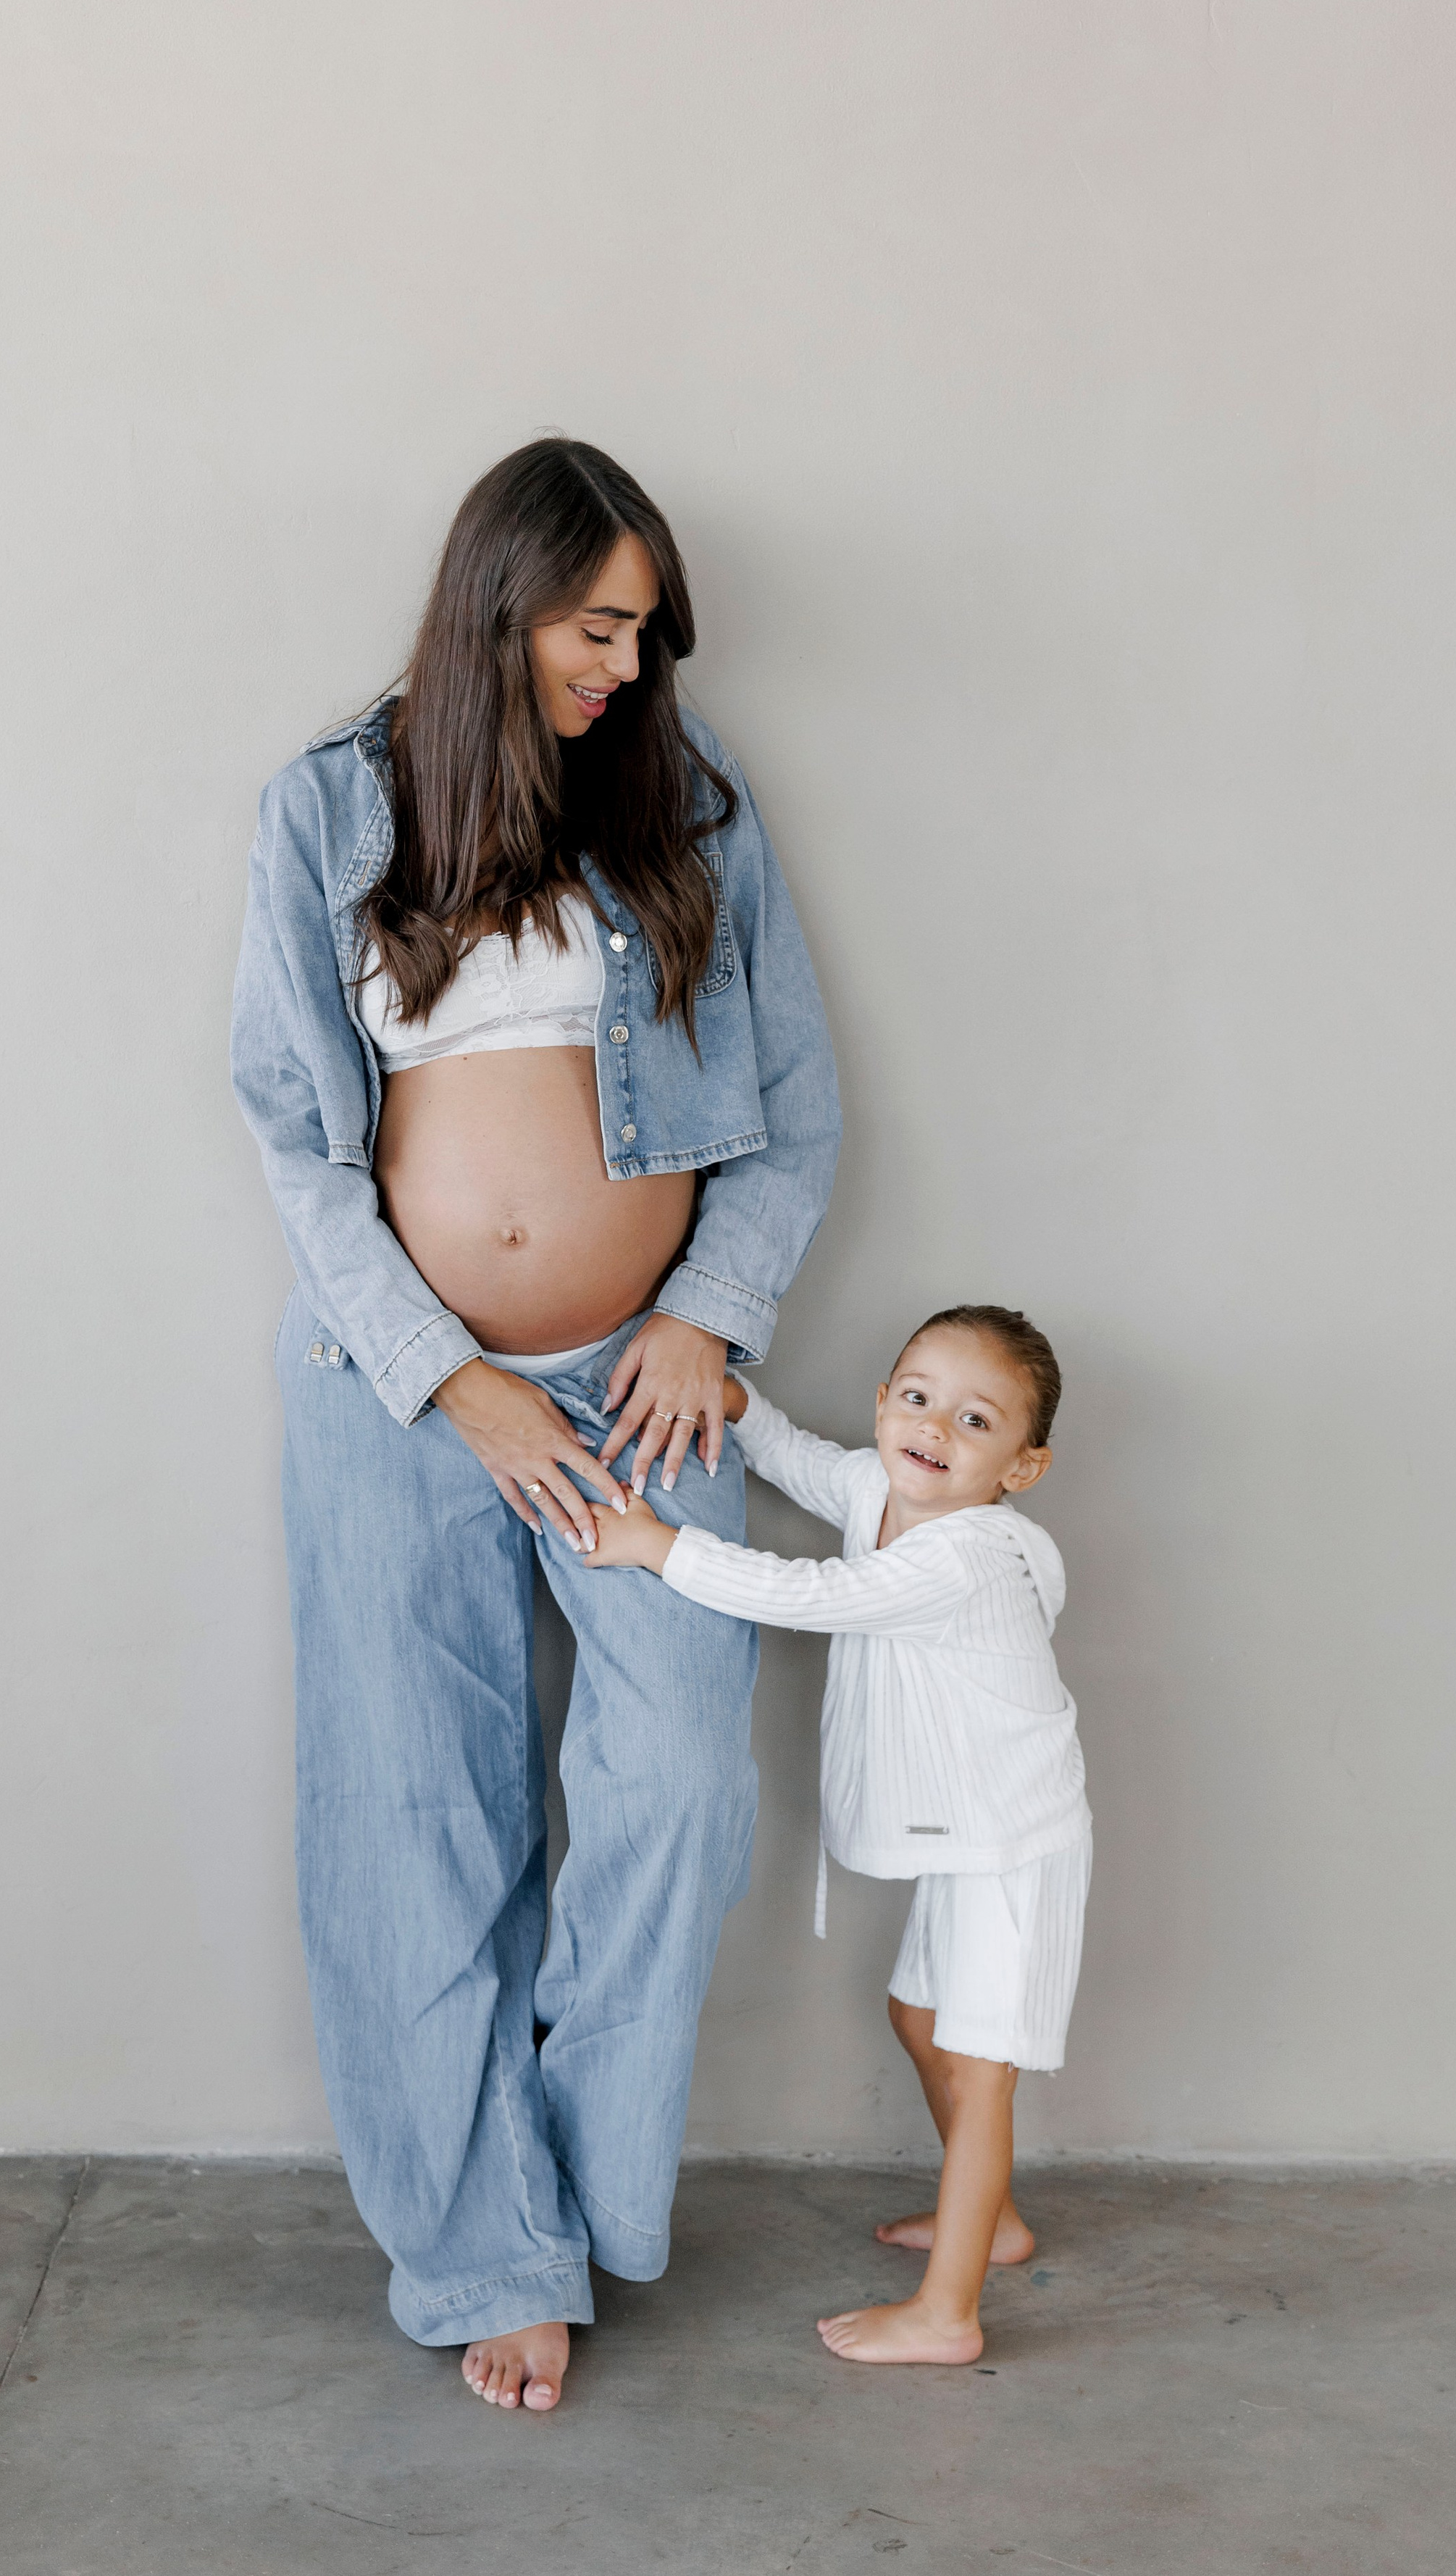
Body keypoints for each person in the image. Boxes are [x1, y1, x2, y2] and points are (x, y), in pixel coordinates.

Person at [230, 440, 840, 2412]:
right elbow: (298, 1143)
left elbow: (799, 1114)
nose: (625, 663)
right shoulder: (330, 808)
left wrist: (710, 1322)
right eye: (597, 625)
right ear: (502, 603)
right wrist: (452, 1375)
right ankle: (494, 2252)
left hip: (648, 1394)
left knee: (679, 1792)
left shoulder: (692, 802)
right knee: (419, 1825)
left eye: (647, 633)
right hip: (404, 1397)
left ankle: (564, 2191)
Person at [581, 1303, 1089, 2365]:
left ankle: (948, 2312)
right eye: (917, 1398)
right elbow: (807, 1465)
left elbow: (808, 1594)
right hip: (965, 1838)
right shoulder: (884, 1490)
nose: (934, 1429)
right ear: (884, 1402)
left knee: (979, 2062)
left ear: (1020, 1469)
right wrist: (737, 1404)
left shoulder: (968, 1556)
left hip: (1015, 1845)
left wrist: (656, 1546)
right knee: (916, 2014)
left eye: (975, 1421)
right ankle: (989, 2219)